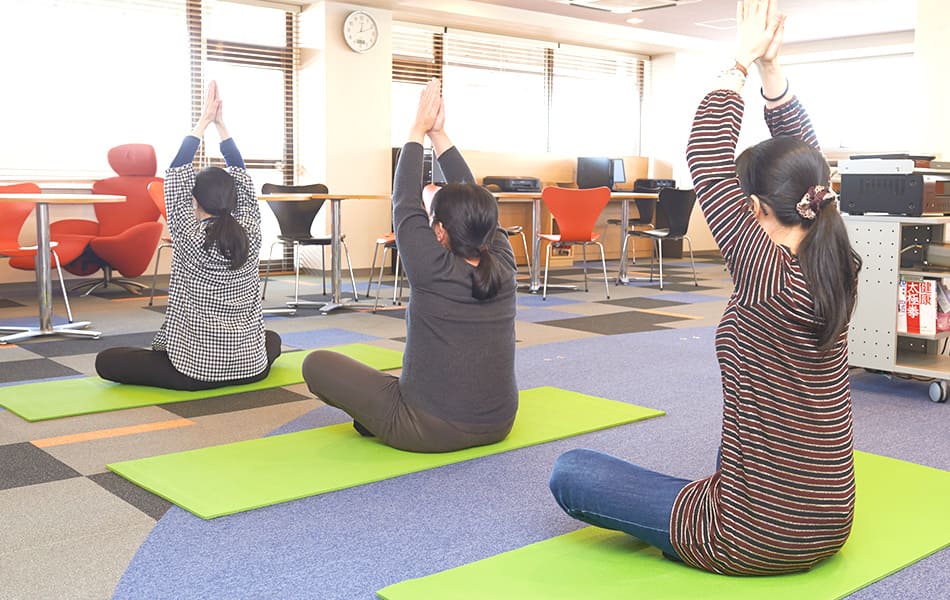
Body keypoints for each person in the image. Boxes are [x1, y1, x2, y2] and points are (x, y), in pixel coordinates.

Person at [549, 0, 862, 576]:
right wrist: (774, 74)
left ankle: (701, 523)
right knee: (709, 470)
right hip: (830, 520)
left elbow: (705, 156)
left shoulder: (765, 269)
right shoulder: (840, 261)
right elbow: (808, 167)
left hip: (754, 535)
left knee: (571, 471)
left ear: (754, 208)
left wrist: (739, 64)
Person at [301, 78, 518, 453]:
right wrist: (439, 134)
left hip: (429, 429)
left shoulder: (431, 267)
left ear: (440, 231)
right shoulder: (504, 261)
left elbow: (403, 200)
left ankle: (380, 419)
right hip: (500, 423)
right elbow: (472, 197)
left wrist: (417, 129)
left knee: (316, 364)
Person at [95, 81, 281, 391]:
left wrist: (204, 121)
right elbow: (243, 177)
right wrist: (222, 126)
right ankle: (243, 361)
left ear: (195, 200)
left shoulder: (187, 233)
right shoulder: (251, 230)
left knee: (107, 361)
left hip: (195, 371)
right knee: (271, 339)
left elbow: (177, 170)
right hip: (251, 367)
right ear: (235, 199)